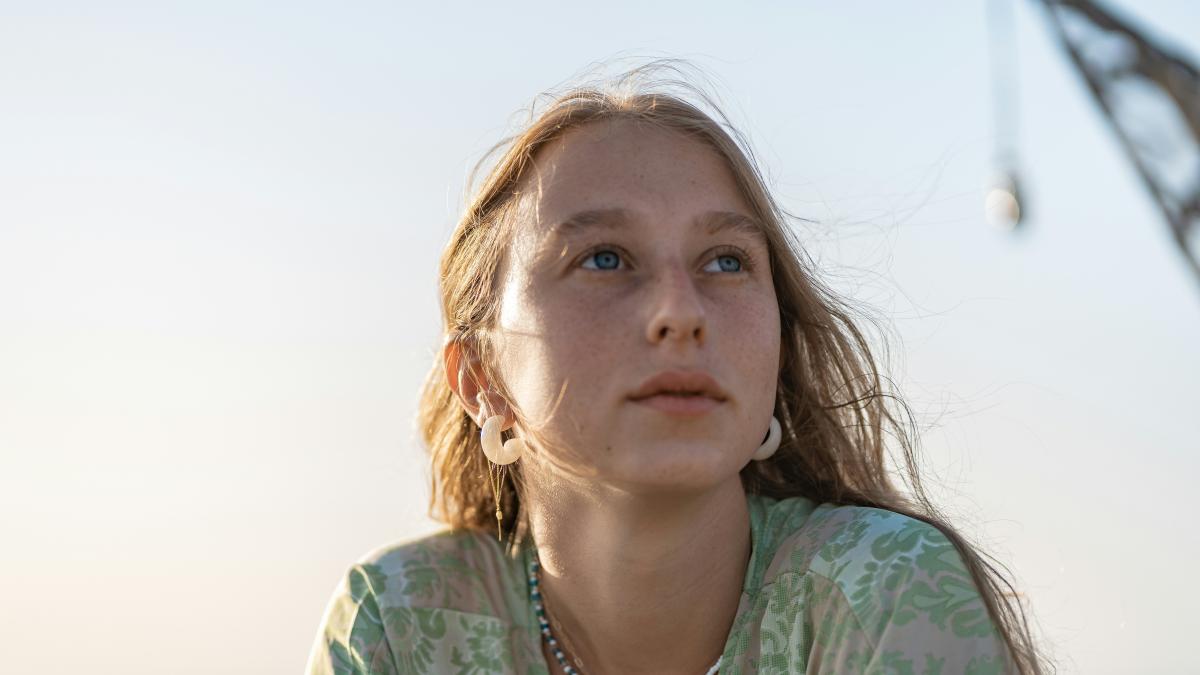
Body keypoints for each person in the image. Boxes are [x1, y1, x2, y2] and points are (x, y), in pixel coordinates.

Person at [305, 64, 1047, 675]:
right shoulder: (401, 622)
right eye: (604, 258)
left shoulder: (880, 588)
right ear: (482, 380)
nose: (679, 310)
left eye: (726, 261)